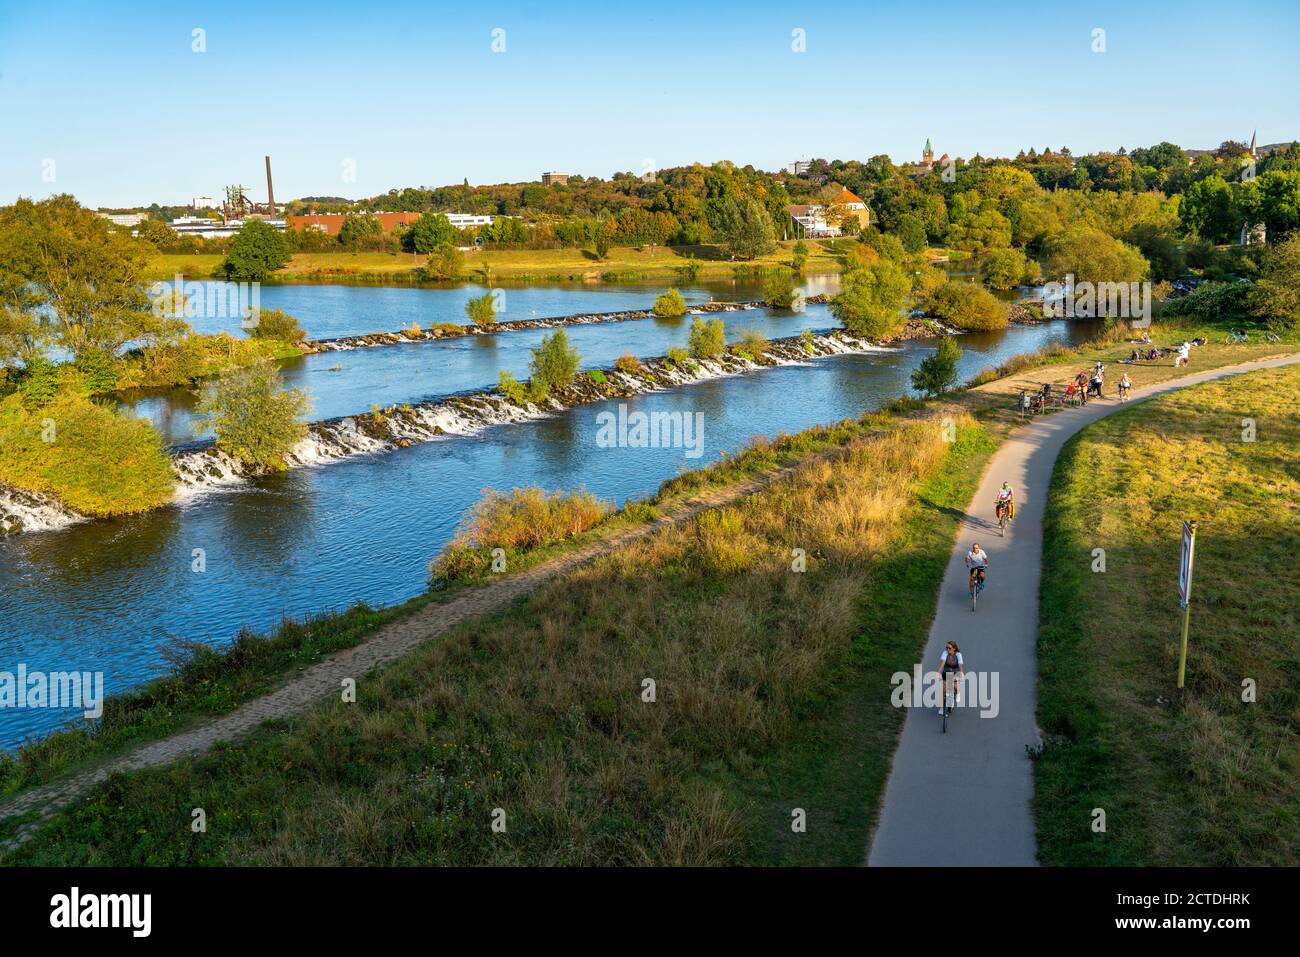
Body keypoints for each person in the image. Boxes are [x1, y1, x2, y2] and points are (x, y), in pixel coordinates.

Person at [938, 641, 965, 712]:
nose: (947, 649)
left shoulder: (958, 655)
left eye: (949, 648)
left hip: (956, 671)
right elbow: (942, 664)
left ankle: (958, 693)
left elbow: (960, 665)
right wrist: (938, 673)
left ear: (954, 648)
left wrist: (962, 673)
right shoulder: (945, 653)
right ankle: (941, 708)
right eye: (946, 648)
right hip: (946, 671)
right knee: (943, 690)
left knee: (955, 685)